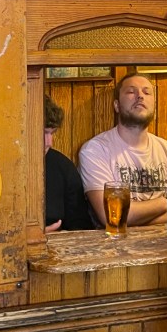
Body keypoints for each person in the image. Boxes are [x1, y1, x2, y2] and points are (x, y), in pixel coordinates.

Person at [78, 72, 167, 227]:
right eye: (131, 91)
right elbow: (111, 217)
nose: (140, 96)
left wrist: (132, 218)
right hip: (113, 247)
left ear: (154, 106)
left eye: (146, 92)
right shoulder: (95, 150)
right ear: (116, 105)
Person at [43, 95, 94, 232]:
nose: (49, 142)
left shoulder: (63, 167)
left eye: (51, 133)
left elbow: (80, 225)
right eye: (42, 133)